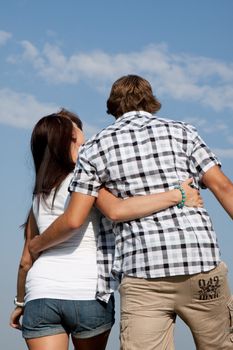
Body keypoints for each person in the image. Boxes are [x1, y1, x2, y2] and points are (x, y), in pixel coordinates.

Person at [28, 75, 233, 350]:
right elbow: (223, 188)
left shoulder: (96, 148)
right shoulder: (185, 132)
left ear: (112, 108)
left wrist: (36, 245)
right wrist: (179, 194)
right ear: (152, 103)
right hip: (200, 263)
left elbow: (109, 211)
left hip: (142, 273)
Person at [10, 108, 202, 350]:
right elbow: (120, 209)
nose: (87, 144)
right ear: (68, 141)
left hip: (40, 294)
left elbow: (25, 261)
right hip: (88, 293)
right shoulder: (87, 183)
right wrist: (178, 194)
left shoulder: (38, 197)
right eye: (81, 139)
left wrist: (20, 302)